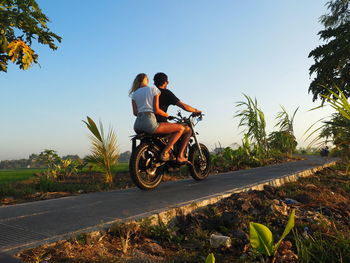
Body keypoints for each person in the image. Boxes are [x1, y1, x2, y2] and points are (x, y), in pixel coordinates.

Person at [129, 73, 185, 161]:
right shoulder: (153, 89)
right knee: (181, 128)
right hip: (149, 122)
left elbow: (135, 113)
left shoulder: (134, 94)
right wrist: (166, 115)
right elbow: (156, 110)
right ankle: (165, 152)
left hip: (137, 124)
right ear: (146, 80)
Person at [153, 72, 202, 163]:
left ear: (154, 82)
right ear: (165, 82)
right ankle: (179, 156)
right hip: (160, 123)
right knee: (187, 129)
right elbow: (183, 106)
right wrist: (195, 110)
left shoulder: (150, 93)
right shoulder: (165, 93)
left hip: (148, 122)